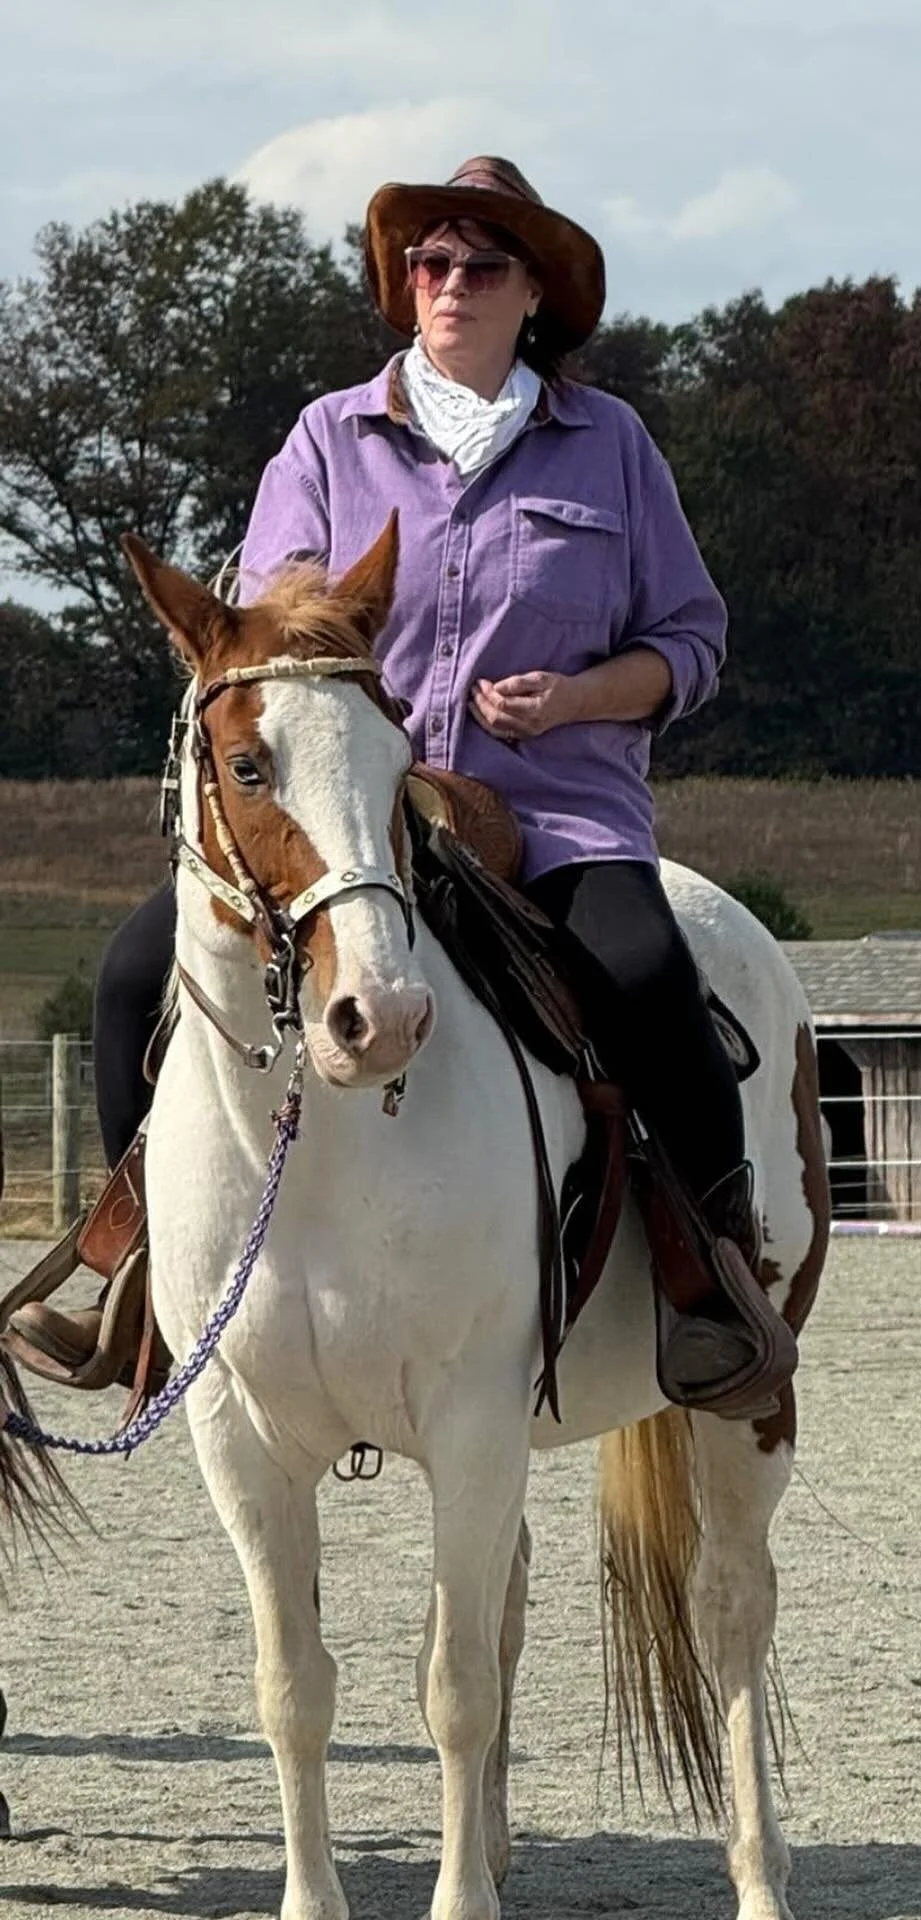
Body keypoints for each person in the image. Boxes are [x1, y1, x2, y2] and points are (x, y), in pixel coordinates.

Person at [10, 156, 794, 1418]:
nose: (451, 283)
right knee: (127, 977)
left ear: (533, 294)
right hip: (347, 816)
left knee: (649, 973)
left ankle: (710, 1280)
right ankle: (139, 1276)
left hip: (559, 815)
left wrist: (579, 697)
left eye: (483, 264)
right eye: (431, 262)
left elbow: (692, 641)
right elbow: (268, 624)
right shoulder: (329, 438)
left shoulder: (612, 447)